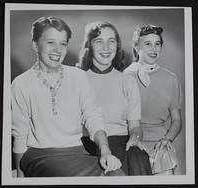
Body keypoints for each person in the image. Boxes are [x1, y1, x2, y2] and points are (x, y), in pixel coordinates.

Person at [11, 16, 124, 177]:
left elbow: (93, 116)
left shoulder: (78, 76)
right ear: (35, 45)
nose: (58, 49)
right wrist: (20, 179)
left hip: (78, 153)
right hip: (40, 156)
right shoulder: (20, 84)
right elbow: (20, 136)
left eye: (63, 43)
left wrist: (105, 150)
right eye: (50, 42)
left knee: (116, 175)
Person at [78, 21, 152, 176]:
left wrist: (134, 137)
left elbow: (135, 127)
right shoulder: (77, 80)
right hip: (87, 144)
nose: (106, 48)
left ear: (117, 46)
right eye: (99, 41)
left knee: (138, 156)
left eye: (111, 41)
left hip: (121, 142)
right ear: (89, 46)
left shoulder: (128, 82)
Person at [124, 24, 183, 175]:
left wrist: (167, 139)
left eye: (157, 44)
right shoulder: (125, 76)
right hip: (131, 143)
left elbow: (176, 120)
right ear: (137, 47)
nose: (153, 49)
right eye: (148, 44)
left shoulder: (171, 79)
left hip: (161, 145)